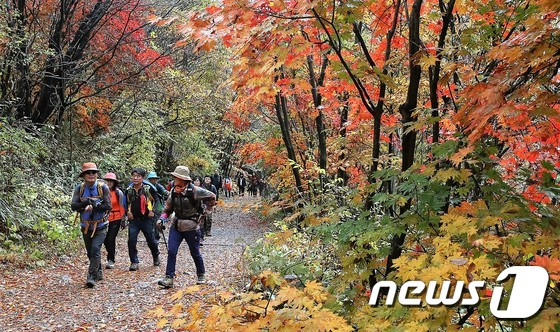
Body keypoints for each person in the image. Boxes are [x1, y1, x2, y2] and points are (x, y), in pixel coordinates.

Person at [157, 166, 216, 288]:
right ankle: (169, 278)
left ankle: (201, 274)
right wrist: (162, 218)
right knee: (171, 251)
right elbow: (167, 208)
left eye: (176, 177)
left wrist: (206, 211)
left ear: (182, 179)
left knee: (195, 252)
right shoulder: (173, 191)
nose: (174, 179)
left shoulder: (195, 191)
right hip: (176, 225)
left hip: (191, 227)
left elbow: (212, 197)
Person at [71, 162, 112, 288]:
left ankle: (91, 276)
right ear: (83, 175)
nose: (91, 175)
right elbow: (74, 206)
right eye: (88, 172)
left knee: (95, 249)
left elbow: (108, 206)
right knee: (90, 252)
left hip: (101, 226)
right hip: (86, 226)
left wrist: (96, 205)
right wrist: (85, 204)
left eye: (93, 172)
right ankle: (98, 271)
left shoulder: (103, 188)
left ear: (96, 174)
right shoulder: (80, 189)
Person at [125, 167, 160, 271]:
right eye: (134, 176)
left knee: (151, 240)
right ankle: (134, 261)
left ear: (143, 178)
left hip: (146, 219)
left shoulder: (148, 188)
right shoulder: (129, 190)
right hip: (134, 220)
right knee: (131, 240)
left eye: (138, 176)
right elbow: (126, 203)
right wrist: (128, 212)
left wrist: (152, 211)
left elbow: (157, 200)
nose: (135, 178)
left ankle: (156, 255)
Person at [102, 173, 127, 269]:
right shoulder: (101, 192)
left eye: (111, 181)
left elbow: (122, 206)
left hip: (116, 218)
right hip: (104, 218)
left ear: (114, 182)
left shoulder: (118, 193)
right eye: (107, 181)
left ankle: (111, 259)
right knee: (104, 238)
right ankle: (111, 252)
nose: (109, 183)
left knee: (111, 238)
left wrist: (123, 219)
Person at [147, 172, 169, 243]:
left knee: (156, 220)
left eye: (154, 179)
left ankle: (156, 237)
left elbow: (165, 192)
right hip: (148, 203)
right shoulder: (146, 186)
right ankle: (152, 235)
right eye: (151, 179)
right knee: (149, 221)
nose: (153, 180)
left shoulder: (158, 186)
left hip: (157, 204)